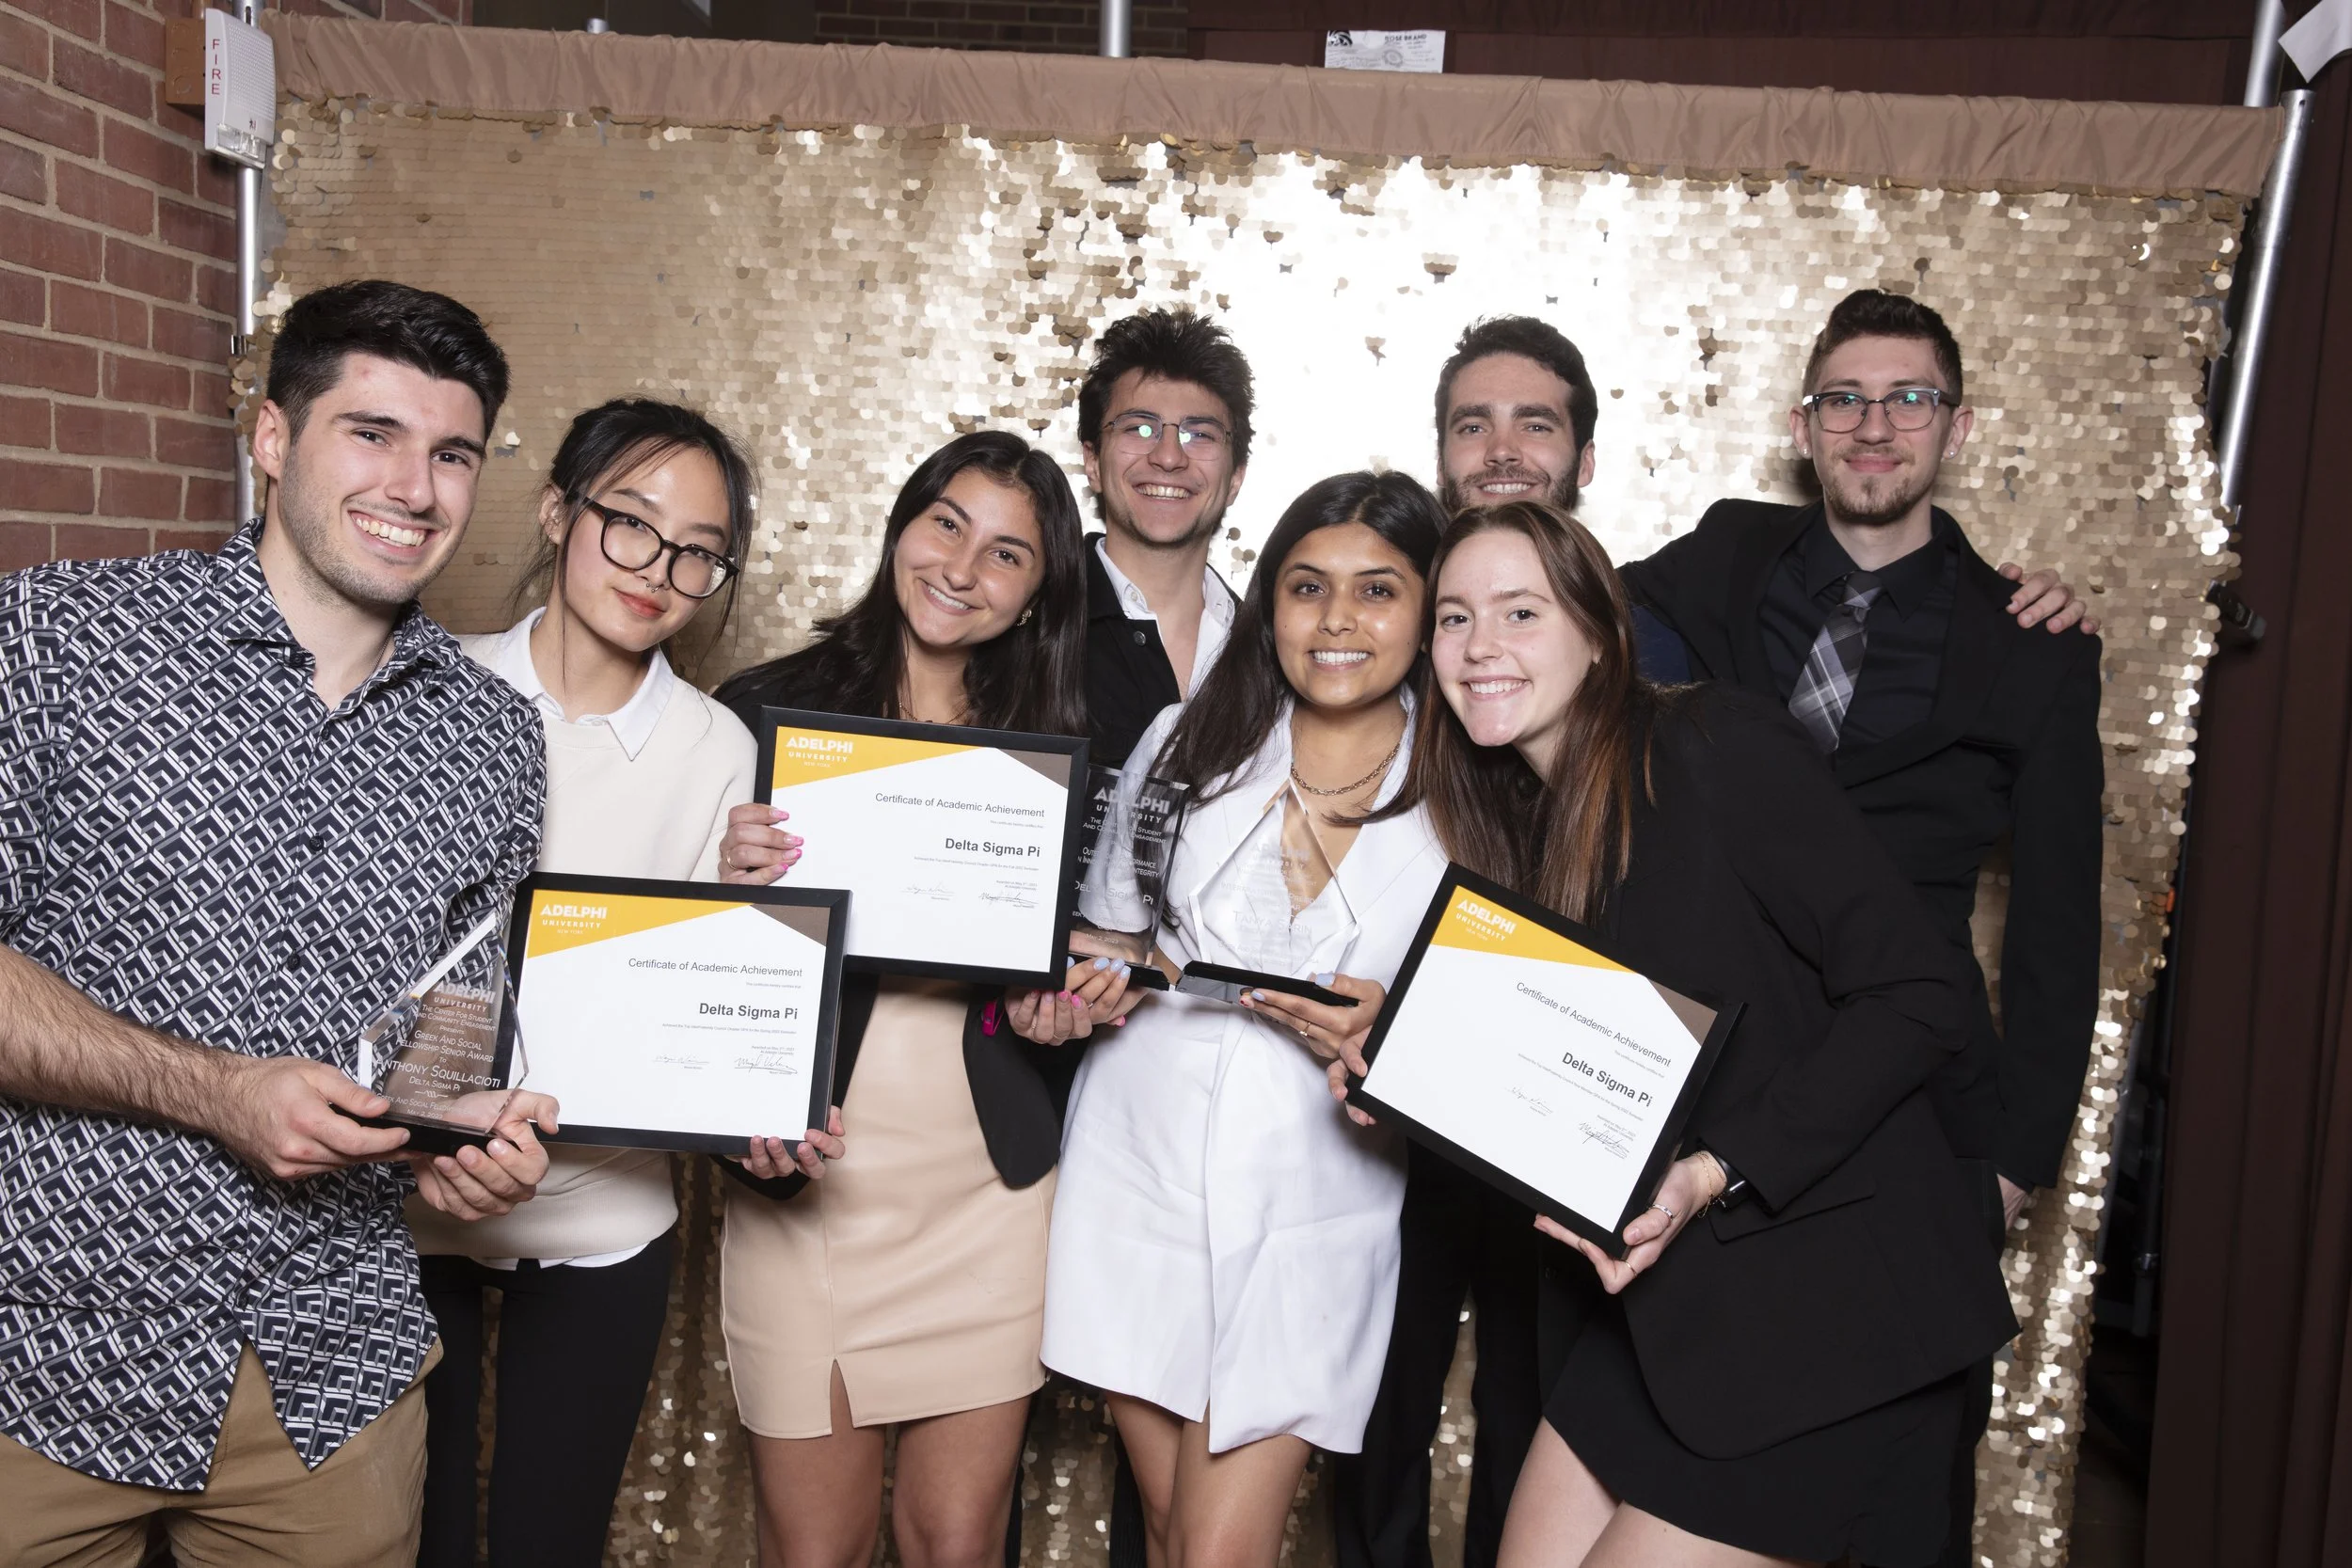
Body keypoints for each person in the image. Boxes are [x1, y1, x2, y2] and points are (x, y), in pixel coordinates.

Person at [1342, 311, 2100, 1568]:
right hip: (1675, 1312)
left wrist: (1711, 1170)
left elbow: (1920, 991)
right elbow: (1555, 1097)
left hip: (1832, 1306)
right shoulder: (1526, 832)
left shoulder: (1717, 745)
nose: (1482, 649)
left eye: (1522, 613)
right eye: (1457, 620)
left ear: (1602, 623)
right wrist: (1399, 1076)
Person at [0, 278, 555, 1567]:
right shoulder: (58, 640)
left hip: (331, 1385)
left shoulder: (494, 742)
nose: (416, 486)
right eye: (372, 432)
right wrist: (214, 1090)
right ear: (271, 439)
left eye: (453, 452)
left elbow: (445, 1037)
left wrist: (465, 1144)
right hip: (44, 1350)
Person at [1615, 289, 2103, 1567]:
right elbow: (1555, 610)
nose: (1874, 424)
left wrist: (2013, 1161)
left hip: (1922, 1100)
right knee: (1702, 1417)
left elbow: (2057, 929)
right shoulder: (1724, 557)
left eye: (1908, 397)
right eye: (1847, 398)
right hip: (1719, 1078)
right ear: (1804, 422)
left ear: (1956, 423)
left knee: (1896, 1483)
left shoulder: (2030, 643)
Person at [411, 399, 841, 1566]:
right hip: (410, 1205)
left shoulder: (721, 750)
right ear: (558, 513)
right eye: (631, 525)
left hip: (607, 1215)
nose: (661, 571)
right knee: (416, 1537)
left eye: (698, 550)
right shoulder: (431, 687)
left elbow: (713, 997)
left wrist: (765, 1093)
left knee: (552, 1538)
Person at [708, 431, 1119, 1568]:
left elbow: (1076, 957)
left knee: (955, 1541)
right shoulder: (763, 708)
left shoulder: (1056, 750)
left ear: (1039, 593)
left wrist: (1063, 1005)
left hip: (986, 1189)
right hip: (809, 1178)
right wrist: (724, 884)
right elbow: (689, 968)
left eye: (1007, 554)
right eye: (946, 523)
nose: (962, 567)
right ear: (900, 525)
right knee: (818, 1550)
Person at [1043, 470, 1453, 1568]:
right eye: (1306, 586)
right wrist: (1100, 976)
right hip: (1140, 1160)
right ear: (1269, 602)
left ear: (1427, 611)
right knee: (1176, 1533)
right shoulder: (1187, 739)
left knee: (1218, 1551)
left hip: (1318, 1195)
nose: (1336, 620)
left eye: (1378, 590)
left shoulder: (1477, 788)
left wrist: (1396, 1029)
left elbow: (1492, 1024)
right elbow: (1114, 933)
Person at [1076, 307, 1256, 768]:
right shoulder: (1024, 619)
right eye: (1139, 428)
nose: (1170, 456)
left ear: (1235, 476)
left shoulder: (1275, 649)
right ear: (1093, 461)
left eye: (1200, 434)